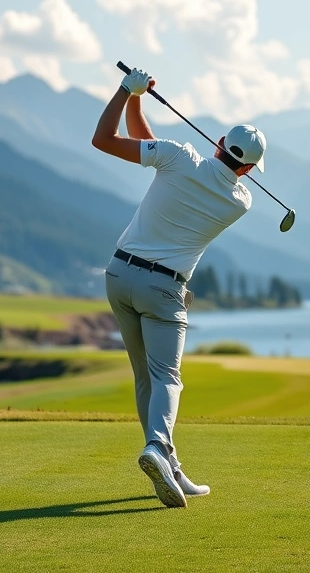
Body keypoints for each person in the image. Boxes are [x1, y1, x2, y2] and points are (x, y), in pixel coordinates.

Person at [91, 68, 266, 508]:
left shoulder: (177, 155)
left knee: (145, 378)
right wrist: (137, 100)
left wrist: (128, 93)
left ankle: (170, 465)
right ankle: (156, 449)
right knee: (167, 376)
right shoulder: (239, 201)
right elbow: (171, 159)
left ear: (218, 143)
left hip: (118, 277)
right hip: (163, 290)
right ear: (246, 168)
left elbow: (105, 140)